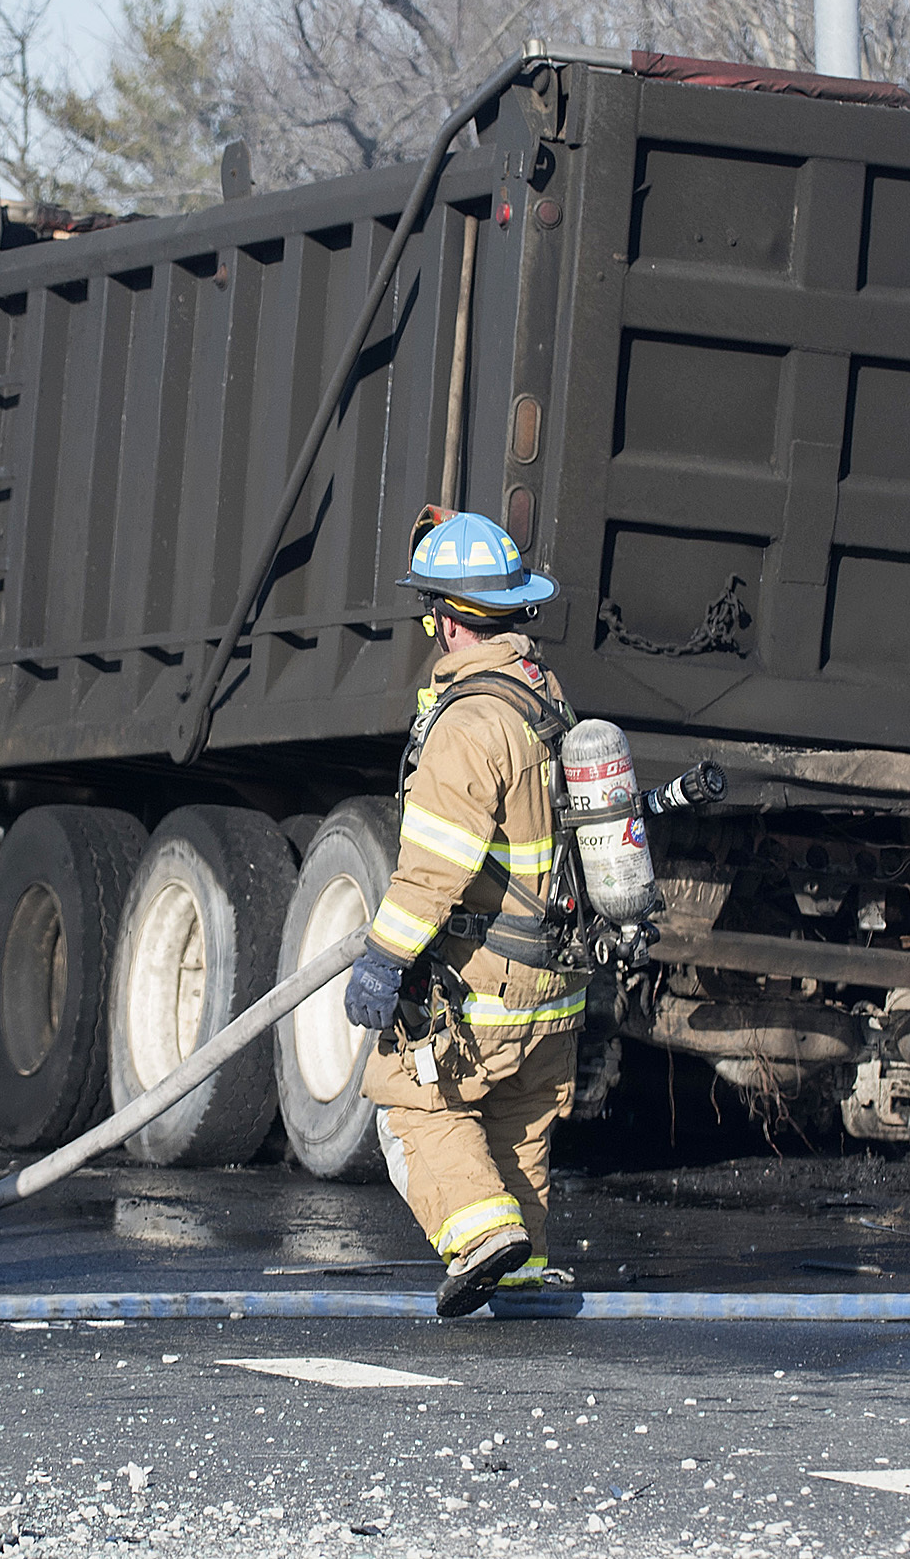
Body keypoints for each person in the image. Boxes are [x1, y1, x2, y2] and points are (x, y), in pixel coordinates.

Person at [342, 507, 580, 1320]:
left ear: (446, 620)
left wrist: (383, 957)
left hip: (492, 980)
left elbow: (432, 871)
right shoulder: (547, 703)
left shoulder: (469, 723)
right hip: (558, 985)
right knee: (516, 1123)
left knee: (412, 1104)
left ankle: (478, 1240)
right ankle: (520, 1263)